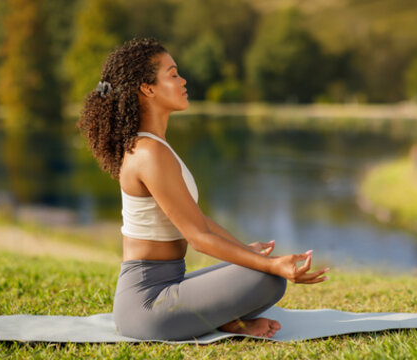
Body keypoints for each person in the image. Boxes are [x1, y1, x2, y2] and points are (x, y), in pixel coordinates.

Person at [76, 38, 328, 341]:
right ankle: (218, 321)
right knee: (268, 279)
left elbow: (198, 219)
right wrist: (270, 264)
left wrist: (243, 250)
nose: (183, 81)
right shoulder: (148, 153)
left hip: (167, 286)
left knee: (261, 269)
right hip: (146, 305)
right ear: (148, 88)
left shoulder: (154, 146)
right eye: (172, 74)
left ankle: (220, 321)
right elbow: (197, 237)